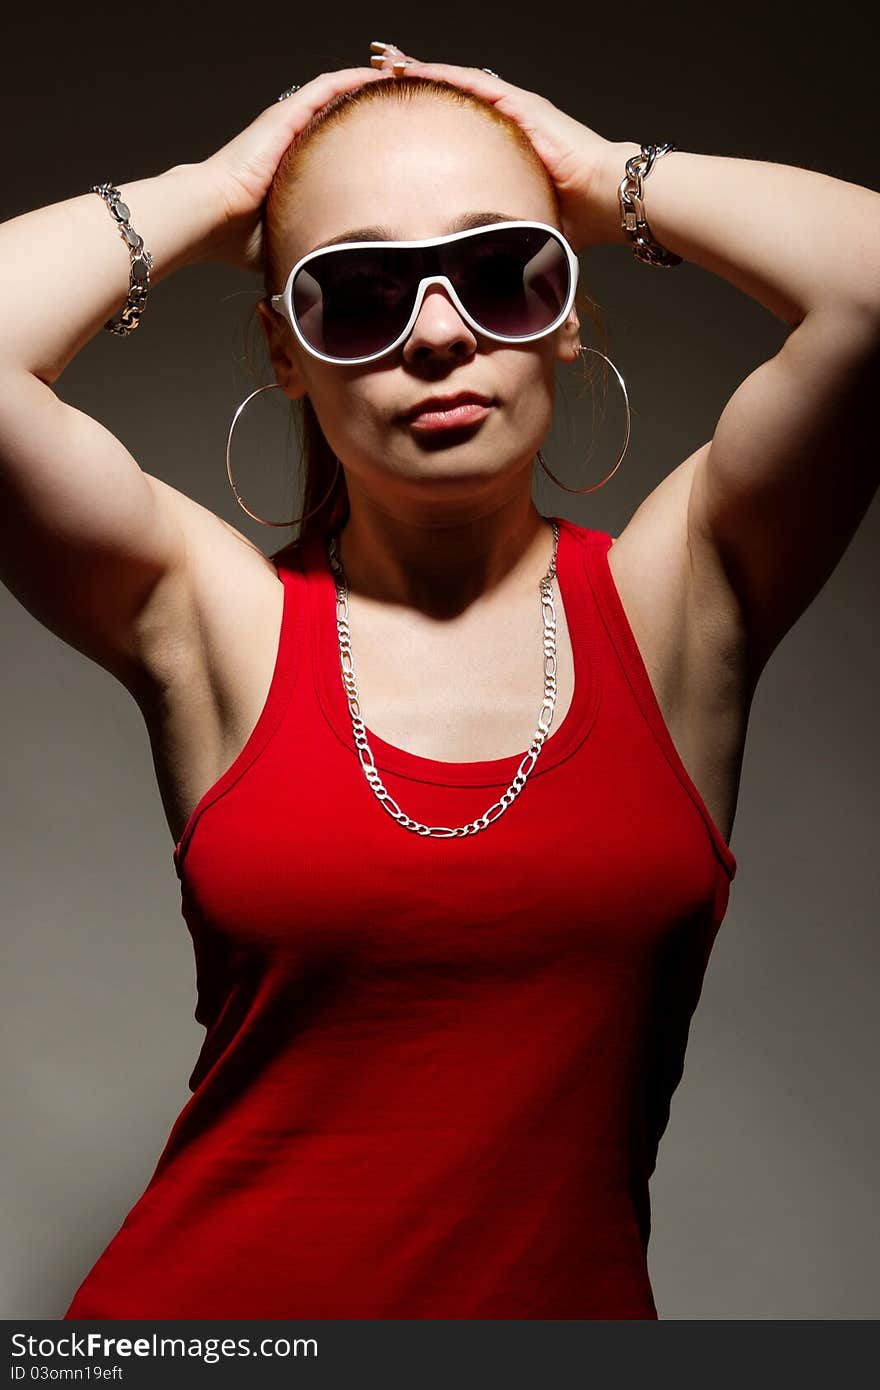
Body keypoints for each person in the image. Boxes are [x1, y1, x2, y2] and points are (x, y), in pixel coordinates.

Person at [1, 40, 877, 1320]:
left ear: (569, 311)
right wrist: (214, 186)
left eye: (498, 272)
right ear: (288, 353)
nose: (438, 332)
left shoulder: (674, 605)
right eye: (353, 295)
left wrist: (603, 175)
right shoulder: (222, 621)